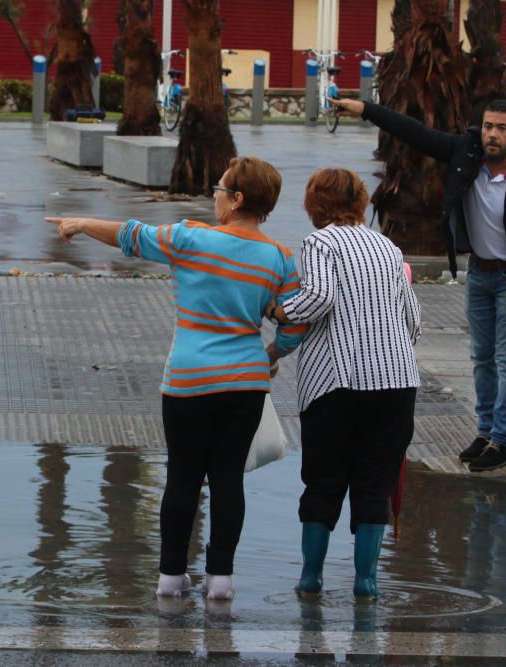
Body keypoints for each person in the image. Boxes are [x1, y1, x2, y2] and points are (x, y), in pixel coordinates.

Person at [46, 157, 307, 601]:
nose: (215, 196)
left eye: (220, 189)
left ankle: (170, 577)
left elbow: (131, 236)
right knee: (228, 480)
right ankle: (221, 580)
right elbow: (294, 323)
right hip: (245, 383)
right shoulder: (281, 259)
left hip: (188, 380)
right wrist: (270, 355)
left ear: (238, 198)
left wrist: (82, 222)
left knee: (183, 476)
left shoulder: (191, 239)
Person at [330, 96, 506, 473]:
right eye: (489, 127)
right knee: (481, 358)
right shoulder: (466, 152)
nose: (493, 135)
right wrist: (365, 109)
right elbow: (415, 132)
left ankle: (504, 441)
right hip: (479, 273)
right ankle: (485, 433)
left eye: (502, 128)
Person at [267, 168, 422, 599]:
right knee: (376, 482)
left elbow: (318, 298)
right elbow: (413, 319)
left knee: (323, 479)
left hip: (337, 383)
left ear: (315, 204)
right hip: (396, 383)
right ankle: (366, 582)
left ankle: (310, 577)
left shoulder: (320, 242)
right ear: (359, 201)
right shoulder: (389, 247)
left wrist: (279, 312)